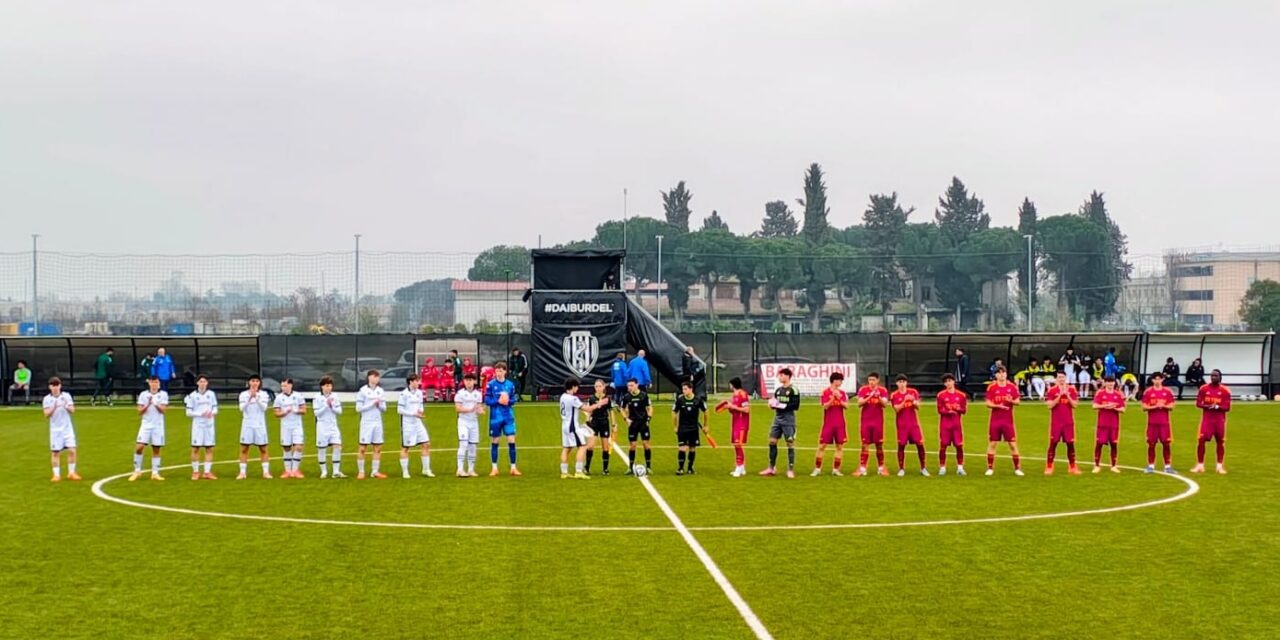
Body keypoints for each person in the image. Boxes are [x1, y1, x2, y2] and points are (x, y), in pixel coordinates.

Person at [984, 367, 1025, 477]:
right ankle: (990, 468)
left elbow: (1018, 401)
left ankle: (1017, 468)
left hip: (1008, 421)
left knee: (1012, 444)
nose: (1001, 375)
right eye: (999, 373)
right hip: (995, 421)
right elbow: (988, 403)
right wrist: (998, 405)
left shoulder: (1012, 387)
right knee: (993, 443)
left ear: (1006, 374)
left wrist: (1010, 401)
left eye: (1003, 373)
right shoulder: (992, 387)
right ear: (996, 375)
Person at [760, 367, 800, 478]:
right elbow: (775, 403)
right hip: (777, 419)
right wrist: (772, 405)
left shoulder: (793, 390)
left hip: (788, 420)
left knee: (790, 443)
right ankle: (771, 468)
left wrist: (781, 406)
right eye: (779, 375)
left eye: (782, 375)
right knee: (772, 441)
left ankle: (790, 469)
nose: (780, 377)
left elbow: (796, 405)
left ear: (787, 376)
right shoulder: (778, 390)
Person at [484, 362, 521, 477]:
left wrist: (508, 401)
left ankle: (513, 468)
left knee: (512, 441)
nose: (498, 373)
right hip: (495, 418)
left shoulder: (510, 385)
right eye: (497, 371)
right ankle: (494, 468)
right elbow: (487, 400)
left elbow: (514, 399)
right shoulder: (491, 384)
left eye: (501, 371)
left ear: (505, 371)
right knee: (495, 442)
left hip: (508, 417)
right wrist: (497, 401)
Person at [130, 376, 169, 482]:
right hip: (146, 425)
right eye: (152, 382)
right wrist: (147, 404)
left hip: (158, 425)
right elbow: (139, 411)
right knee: (139, 447)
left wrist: (155, 404)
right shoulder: (143, 395)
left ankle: (155, 473)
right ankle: (137, 471)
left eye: (156, 382)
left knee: (156, 448)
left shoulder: (163, 395)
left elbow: (163, 410)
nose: (154, 384)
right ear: (149, 383)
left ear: (159, 384)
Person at [1193, 369, 1231, 475]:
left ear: (1220, 377)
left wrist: (1218, 406)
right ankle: (1200, 465)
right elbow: (1198, 403)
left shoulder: (1225, 391)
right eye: (1212, 376)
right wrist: (1208, 406)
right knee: (1201, 440)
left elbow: (1227, 407)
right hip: (1207, 420)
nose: (1214, 377)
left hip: (1219, 421)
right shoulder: (1204, 388)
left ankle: (1219, 466)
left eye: (1216, 376)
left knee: (1220, 442)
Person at [1044, 371, 1081, 475]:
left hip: (1068, 422)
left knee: (1070, 444)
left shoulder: (1071, 389)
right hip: (1056, 422)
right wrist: (1059, 396)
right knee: (1053, 444)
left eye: (1063, 377)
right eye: (1059, 377)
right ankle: (1049, 466)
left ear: (1066, 378)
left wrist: (1067, 396)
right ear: (1056, 379)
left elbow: (1075, 405)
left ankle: (1072, 467)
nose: (1061, 379)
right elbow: (1049, 406)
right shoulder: (1052, 390)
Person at [891, 374, 929, 477]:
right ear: (897, 384)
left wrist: (913, 400)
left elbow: (918, 407)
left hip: (913, 424)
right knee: (901, 445)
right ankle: (901, 468)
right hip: (902, 425)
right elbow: (896, 409)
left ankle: (923, 468)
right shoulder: (894, 395)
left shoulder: (913, 392)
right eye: (900, 382)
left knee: (920, 444)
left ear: (906, 383)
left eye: (903, 382)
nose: (902, 384)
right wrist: (904, 401)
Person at [811, 372, 848, 477]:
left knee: (839, 446)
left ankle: (836, 469)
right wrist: (833, 398)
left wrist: (839, 398)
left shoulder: (843, 393)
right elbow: (825, 406)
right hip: (828, 424)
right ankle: (817, 469)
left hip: (840, 423)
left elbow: (846, 406)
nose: (840, 382)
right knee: (822, 446)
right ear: (834, 380)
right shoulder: (825, 392)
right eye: (840, 380)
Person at [44, 377, 80, 482]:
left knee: (72, 450)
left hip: (67, 428)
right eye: (53, 386)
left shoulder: (66, 396)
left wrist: (66, 406)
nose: (55, 388)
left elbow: (73, 410)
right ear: (50, 387)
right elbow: (46, 414)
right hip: (55, 430)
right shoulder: (47, 399)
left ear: (60, 386)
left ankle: (72, 473)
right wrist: (54, 407)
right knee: (55, 452)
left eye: (57, 385)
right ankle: (56, 474)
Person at [398, 373, 433, 478]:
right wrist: (413, 414)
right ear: (411, 382)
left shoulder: (419, 393)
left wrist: (420, 411)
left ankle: (426, 469)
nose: (419, 383)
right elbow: (399, 410)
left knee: (426, 444)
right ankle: (405, 471)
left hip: (418, 422)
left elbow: (420, 405)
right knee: (406, 448)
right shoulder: (403, 394)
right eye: (417, 381)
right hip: (408, 424)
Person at [1141, 372, 1177, 474]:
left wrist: (1164, 406)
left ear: (1162, 380)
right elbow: (1144, 407)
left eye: (1159, 379)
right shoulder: (1148, 392)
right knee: (1151, 444)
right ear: (1152, 380)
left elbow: (1172, 406)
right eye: (1155, 379)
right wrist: (1155, 406)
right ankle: (1151, 465)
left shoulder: (1167, 392)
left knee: (1166, 444)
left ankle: (1168, 466)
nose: (1157, 381)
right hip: (1152, 424)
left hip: (1164, 423)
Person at [853, 372, 888, 477]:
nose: (871, 382)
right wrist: (869, 397)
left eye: (873, 380)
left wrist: (878, 397)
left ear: (878, 380)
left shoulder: (882, 390)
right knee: (864, 444)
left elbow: (885, 404)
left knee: (879, 445)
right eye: (869, 380)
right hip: (866, 422)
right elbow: (859, 403)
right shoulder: (863, 390)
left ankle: (881, 468)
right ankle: (863, 468)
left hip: (878, 422)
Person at [237, 375, 272, 480]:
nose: (255, 383)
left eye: (257, 381)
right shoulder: (243, 394)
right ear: (249, 382)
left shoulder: (263, 394)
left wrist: (256, 397)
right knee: (244, 448)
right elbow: (241, 408)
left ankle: (266, 472)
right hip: (247, 425)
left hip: (260, 425)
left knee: (263, 448)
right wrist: (249, 398)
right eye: (253, 381)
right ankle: (242, 472)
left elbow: (264, 408)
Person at [557, 378, 593, 479]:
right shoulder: (573, 399)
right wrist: (599, 404)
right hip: (572, 426)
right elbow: (587, 408)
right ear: (573, 387)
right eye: (577, 387)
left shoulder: (563, 397)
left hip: (564, 425)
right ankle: (578, 471)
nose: (577, 389)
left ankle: (564, 472)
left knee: (566, 448)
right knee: (582, 446)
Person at [184, 374, 218, 480]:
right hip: (198, 426)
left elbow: (215, 408)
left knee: (209, 448)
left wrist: (211, 413)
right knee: (195, 448)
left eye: (204, 381)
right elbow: (188, 412)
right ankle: (195, 472)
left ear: (207, 383)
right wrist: (200, 414)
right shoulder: (192, 396)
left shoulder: (211, 394)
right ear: (197, 383)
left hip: (209, 425)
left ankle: (207, 472)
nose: (203, 383)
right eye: (201, 381)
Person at [356, 369, 388, 480]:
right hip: (366, 422)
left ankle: (375, 471)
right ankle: (361, 471)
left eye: (378, 377)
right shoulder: (363, 391)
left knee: (377, 447)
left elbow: (384, 408)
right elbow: (358, 408)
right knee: (363, 448)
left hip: (377, 422)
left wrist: (379, 405)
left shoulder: (381, 391)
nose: (376, 379)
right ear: (369, 377)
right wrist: (371, 404)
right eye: (374, 376)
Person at [273, 378, 308, 479]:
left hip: (297, 426)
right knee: (286, 447)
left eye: (285, 386)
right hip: (285, 426)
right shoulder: (279, 398)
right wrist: (284, 412)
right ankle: (287, 470)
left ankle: (295, 470)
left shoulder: (298, 396)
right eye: (282, 386)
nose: (283, 388)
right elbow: (276, 413)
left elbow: (304, 410)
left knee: (298, 447)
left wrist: (296, 410)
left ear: (291, 385)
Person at [313, 376, 346, 478]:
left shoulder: (335, 396)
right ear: (322, 387)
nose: (329, 388)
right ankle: (324, 471)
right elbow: (317, 413)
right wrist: (326, 406)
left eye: (330, 385)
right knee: (322, 449)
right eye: (327, 385)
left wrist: (332, 407)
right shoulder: (317, 398)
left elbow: (339, 411)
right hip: (322, 426)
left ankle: (336, 471)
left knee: (337, 447)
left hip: (333, 425)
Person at [1091, 375, 1125, 473]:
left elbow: (1123, 409)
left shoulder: (1118, 395)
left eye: (1112, 382)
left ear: (1114, 383)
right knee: (1099, 444)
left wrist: (1115, 408)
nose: (1110, 384)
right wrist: (1105, 405)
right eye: (1108, 382)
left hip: (1114, 424)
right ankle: (1097, 465)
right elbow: (1094, 405)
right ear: (1105, 383)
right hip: (1102, 424)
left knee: (1114, 444)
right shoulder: (1100, 393)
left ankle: (1114, 465)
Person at [672, 381, 707, 475]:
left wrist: (705, 425)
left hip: (694, 428)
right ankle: (680, 468)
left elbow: (706, 411)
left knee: (692, 448)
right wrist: (675, 426)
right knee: (682, 448)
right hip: (682, 428)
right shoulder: (680, 400)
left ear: (691, 389)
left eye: (685, 389)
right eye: (683, 389)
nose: (683, 391)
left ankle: (690, 468)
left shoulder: (698, 400)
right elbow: (674, 412)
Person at [718, 377, 751, 477]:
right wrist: (728, 407)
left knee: (738, 444)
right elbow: (734, 410)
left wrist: (733, 407)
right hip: (735, 422)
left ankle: (739, 466)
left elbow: (746, 409)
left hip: (742, 423)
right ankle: (742, 468)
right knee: (736, 444)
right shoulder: (734, 395)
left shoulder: (743, 394)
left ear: (732, 384)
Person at [936, 374, 968, 476]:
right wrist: (948, 411)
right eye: (946, 381)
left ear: (954, 381)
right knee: (943, 446)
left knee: (959, 446)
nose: (948, 383)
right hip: (945, 426)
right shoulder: (941, 395)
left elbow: (964, 410)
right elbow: (940, 410)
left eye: (950, 380)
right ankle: (942, 467)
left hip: (956, 425)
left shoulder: (961, 395)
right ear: (944, 384)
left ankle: (960, 467)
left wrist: (958, 409)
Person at [621, 378, 654, 474]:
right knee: (632, 446)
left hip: (643, 423)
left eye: (631, 385)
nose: (629, 387)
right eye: (628, 386)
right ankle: (630, 468)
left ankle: (648, 467)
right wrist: (626, 419)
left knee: (646, 444)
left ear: (637, 385)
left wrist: (648, 419)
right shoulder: (626, 397)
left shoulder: (643, 395)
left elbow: (650, 407)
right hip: (633, 424)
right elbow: (622, 408)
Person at [454, 372, 484, 477]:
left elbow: (479, 407)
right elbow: (457, 408)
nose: (469, 383)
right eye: (467, 380)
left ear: (474, 381)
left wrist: (480, 411)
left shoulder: (478, 394)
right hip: (463, 422)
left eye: (471, 380)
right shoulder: (460, 394)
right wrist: (470, 409)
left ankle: (471, 470)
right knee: (463, 444)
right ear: (464, 382)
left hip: (474, 422)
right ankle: (460, 469)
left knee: (473, 446)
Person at [583, 379, 614, 475]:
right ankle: (587, 467)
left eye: (600, 386)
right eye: (596, 386)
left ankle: (605, 469)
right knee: (591, 446)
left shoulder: (607, 399)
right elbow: (589, 411)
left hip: (604, 423)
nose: (598, 388)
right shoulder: (592, 398)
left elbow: (611, 411)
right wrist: (587, 421)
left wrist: (613, 424)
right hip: (594, 423)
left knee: (605, 447)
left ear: (604, 387)